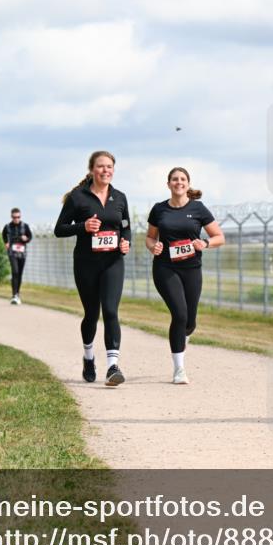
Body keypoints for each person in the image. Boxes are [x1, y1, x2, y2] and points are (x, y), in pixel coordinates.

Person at [54, 150, 131, 386]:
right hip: (86, 263)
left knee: (110, 311)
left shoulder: (119, 197)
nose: (105, 170)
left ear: (113, 170)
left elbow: (126, 225)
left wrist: (126, 241)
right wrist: (83, 226)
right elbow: (60, 229)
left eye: (109, 166)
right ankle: (88, 357)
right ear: (91, 170)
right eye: (101, 166)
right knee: (91, 313)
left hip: (113, 262)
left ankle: (112, 367)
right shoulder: (78, 197)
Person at [146, 167, 224, 384]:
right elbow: (150, 238)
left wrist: (205, 243)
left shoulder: (198, 209)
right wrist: (154, 247)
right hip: (165, 268)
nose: (178, 182)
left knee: (190, 321)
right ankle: (179, 369)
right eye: (174, 179)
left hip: (191, 269)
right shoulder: (159, 209)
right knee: (179, 315)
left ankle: (183, 336)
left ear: (188, 184)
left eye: (182, 179)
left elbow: (219, 237)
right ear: (168, 184)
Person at [2, 207, 33, 305]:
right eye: (15, 217)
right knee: (14, 271)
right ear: (11, 217)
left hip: (22, 252)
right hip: (12, 252)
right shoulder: (7, 226)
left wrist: (26, 239)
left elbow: (30, 236)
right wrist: (6, 242)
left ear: (20, 216)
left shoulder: (25, 226)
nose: (16, 219)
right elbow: (3, 234)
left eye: (18, 217)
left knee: (19, 273)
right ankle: (14, 295)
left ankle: (17, 294)